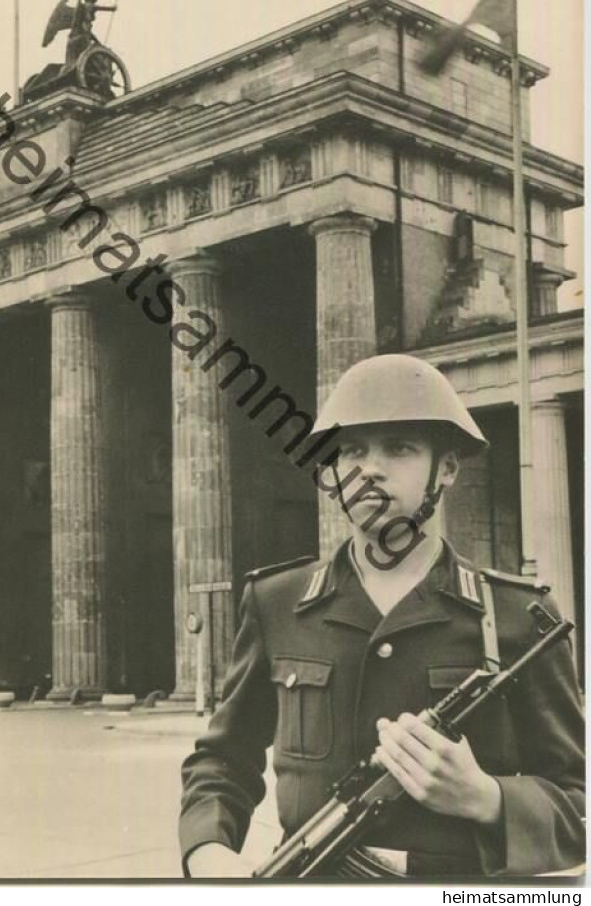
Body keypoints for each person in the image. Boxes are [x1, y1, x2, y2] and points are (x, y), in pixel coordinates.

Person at [180, 354, 585, 879]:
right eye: (351, 450)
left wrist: (487, 798)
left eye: (399, 447)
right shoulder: (277, 601)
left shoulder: (517, 616)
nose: (369, 468)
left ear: (447, 468)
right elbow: (221, 761)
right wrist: (208, 855)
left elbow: (577, 806)